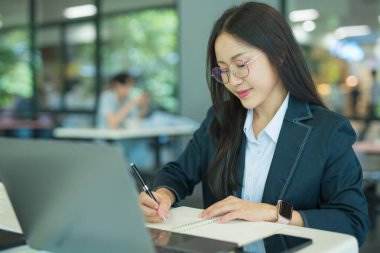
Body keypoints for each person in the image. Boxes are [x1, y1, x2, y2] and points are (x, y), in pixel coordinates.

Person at [139, 2, 369, 247]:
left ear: (279, 53)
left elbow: (352, 220)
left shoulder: (328, 131)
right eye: (224, 71)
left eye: (241, 65)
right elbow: (179, 173)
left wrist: (274, 212)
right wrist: (163, 193)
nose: (233, 81)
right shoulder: (220, 118)